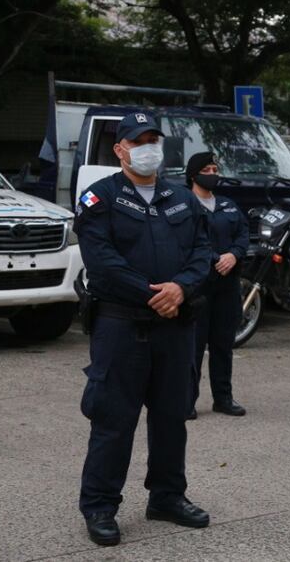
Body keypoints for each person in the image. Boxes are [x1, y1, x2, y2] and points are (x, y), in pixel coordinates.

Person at [74, 112, 212, 546]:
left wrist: (182, 288)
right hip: (122, 326)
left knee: (172, 417)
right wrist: (156, 293)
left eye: (154, 139)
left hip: (175, 327)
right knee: (114, 421)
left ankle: (167, 497)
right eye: (139, 141)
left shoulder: (181, 198)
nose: (149, 147)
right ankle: (99, 506)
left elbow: (203, 252)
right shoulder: (100, 198)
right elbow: (102, 261)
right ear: (120, 149)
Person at [186, 151, 250, 417]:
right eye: (207, 170)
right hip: (198, 285)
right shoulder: (184, 204)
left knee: (223, 344)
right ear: (194, 175)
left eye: (215, 169)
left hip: (227, 285)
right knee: (194, 346)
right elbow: (185, 241)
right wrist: (215, 259)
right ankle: (186, 401)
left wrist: (233, 255)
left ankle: (223, 398)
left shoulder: (228, 205)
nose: (212, 174)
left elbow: (243, 234)